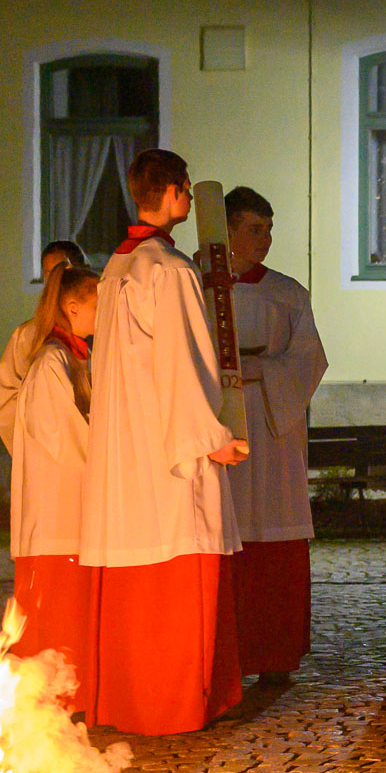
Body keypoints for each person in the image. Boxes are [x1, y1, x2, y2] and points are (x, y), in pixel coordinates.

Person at [79, 148, 246, 736]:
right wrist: (213, 435)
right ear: (175, 194)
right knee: (179, 553)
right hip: (168, 446)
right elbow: (183, 362)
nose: (191, 200)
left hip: (126, 442)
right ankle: (174, 699)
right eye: (187, 191)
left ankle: (128, 697)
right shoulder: (169, 271)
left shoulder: (119, 266)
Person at [220, 186, 328, 683]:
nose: (264, 240)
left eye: (268, 230)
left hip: (273, 431)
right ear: (227, 230)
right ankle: (227, 652)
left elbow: (310, 360)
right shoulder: (201, 290)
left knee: (273, 537)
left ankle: (275, 656)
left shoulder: (287, 293)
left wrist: (263, 369)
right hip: (222, 430)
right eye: (253, 229)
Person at [7, 264, 100, 713]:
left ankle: (72, 697)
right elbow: (68, 442)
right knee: (60, 613)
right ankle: (55, 702)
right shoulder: (51, 364)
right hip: (60, 515)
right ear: (73, 306)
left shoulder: (74, 357)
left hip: (70, 512)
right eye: (99, 304)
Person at [1, 241, 88, 453]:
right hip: (46, 448)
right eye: (49, 273)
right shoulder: (27, 336)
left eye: (63, 270)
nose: (55, 280)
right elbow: (7, 395)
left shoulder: (92, 329)